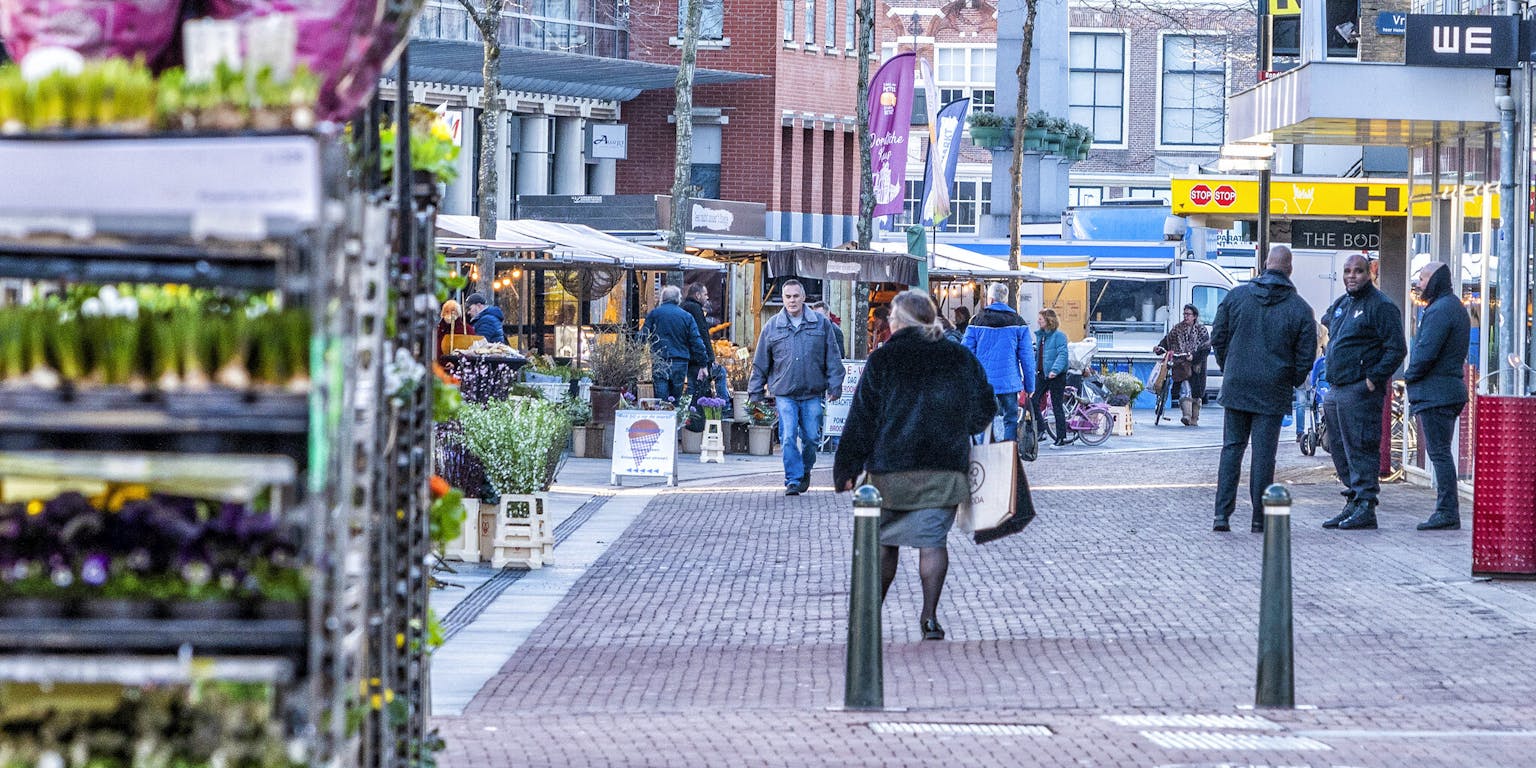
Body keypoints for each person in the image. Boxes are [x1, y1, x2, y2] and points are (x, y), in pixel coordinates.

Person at [833, 289, 995, 641]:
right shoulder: (959, 357)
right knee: (932, 541)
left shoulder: (884, 359)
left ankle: (870, 615)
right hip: (944, 466)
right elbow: (986, 406)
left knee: (884, 542)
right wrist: (960, 427)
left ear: (900, 320)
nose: (888, 319)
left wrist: (846, 467)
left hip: (891, 468)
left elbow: (862, 418)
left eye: (891, 314)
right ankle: (930, 617)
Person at [1209, 246, 1317, 533]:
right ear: (1290, 269)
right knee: (1263, 455)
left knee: (1231, 449)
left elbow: (1217, 337)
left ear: (1265, 264)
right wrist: (1290, 378)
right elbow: (1307, 355)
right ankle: (1259, 518)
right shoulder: (1300, 309)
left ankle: (1222, 515)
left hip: (1237, 385)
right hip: (1273, 389)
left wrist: (1230, 367)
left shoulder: (1236, 297)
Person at [1320, 254, 1408, 531]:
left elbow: (1397, 349)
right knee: (1339, 449)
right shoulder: (1344, 303)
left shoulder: (1380, 306)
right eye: (1347, 271)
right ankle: (1353, 500)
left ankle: (1366, 505)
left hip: (1360, 390)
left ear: (1369, 272)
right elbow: (1328, 320)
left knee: (1361, 446)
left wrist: (1372, 380)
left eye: (1357, 271)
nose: (1351, 276)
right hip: (1337, 388)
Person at [748, 279, 845, 496]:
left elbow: (833, 356)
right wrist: (755, 392)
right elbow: (761, 361)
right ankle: (793, 479)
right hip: (784, 393)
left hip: (812, 392)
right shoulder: (772, 326)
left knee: (811, 438)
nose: (792, 300)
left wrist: (835, 385)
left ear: (803, 298)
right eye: (788, 297)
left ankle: (805, 469)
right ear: (783, 299)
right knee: (788, 435)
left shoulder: (821, 323)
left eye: (795, 296)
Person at [1402, 261, 1470, 531]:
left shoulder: (1441, 310)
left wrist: (1409, 376)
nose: (1418, 284)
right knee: (1440, 452)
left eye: (1422, 278)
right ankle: (1447, 510)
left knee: (1439, 453)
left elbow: (1425, 352)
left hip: (1436, 393)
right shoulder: (1451, 306)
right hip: (1445, 391)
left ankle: (1446, 511)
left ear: (1434, 280)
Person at [963, 282, 1036, 442]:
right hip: (1009, 383)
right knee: (1010, 419)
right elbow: (1027, 358)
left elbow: (965, 354)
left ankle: (984, 455)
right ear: (1004, 299)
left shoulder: (976, 321)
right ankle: (1008, 456)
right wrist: (1030, 386)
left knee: (983, 420)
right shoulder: (1018, 322)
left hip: (983, 382)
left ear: (990, 299)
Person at [643, 285, 709, 403]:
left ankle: (662, 419)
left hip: (660, 360)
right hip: (680, 361)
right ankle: (675, 417)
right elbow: (697, 341)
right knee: (675, 400)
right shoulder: (686, 316)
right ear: (678, 299)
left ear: (662, 299)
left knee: (661, 399)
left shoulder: (654, 314)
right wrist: (703, 363)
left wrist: (635, 354)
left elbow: (643, 335)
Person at [1154, 304, 1213, 427]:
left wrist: (1194, 357)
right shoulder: (1177, 329)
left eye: (1188, 314)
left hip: (1197, 367)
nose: (1186, 316)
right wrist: (1159, 348)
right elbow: (1167, 341)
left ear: (1194, 316)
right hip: (1181, 365)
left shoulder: (1202, 330)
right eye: (1184, 314)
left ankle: (1194, 419)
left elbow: (1206, 349)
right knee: (1185, 389)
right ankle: (1186, 415)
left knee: (1196, 393)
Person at [1032, 308, 1069, 446]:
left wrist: (1055, 370)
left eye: (1040, 319)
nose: (1038, 321)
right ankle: (1041, 430)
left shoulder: (1059, 336)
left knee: (1056, 404)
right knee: (1033, 400)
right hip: (1042, 374)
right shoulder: (1041, 336)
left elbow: (1062, 354)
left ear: (1048, 321)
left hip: (1056, 375)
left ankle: (1061, 437)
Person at [681, 283, 716, 396]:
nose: (707, 297)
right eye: (705, 294)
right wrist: (709, 357)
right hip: (696, 357)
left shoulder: (684, 306)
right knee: (698, 387)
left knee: (693, 386)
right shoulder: (695, 309)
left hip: (688, 355)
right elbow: (702, 333)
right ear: (697, 295)